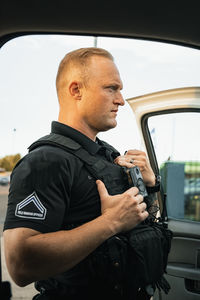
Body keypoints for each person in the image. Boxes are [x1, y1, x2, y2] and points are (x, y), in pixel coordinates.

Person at [3, 47, 157, 299]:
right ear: (76, 90)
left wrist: (149, 186)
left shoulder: (108, 154)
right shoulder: (45, 162)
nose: (120, 99)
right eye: (111, 88)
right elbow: (20, 264)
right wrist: (110, 222)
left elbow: (137, 224)